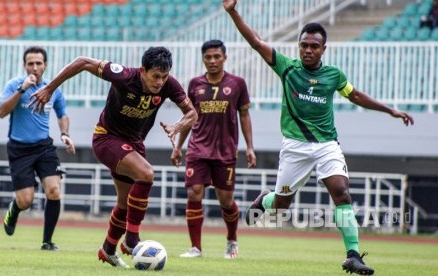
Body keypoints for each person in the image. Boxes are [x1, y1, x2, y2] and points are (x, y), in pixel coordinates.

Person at [223, 0, 414, 275]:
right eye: (304, 45)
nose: (308, 50)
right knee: (281, 206)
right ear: (298, 46)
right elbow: (256, 41)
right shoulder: (287, 68)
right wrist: (232, 11)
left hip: (327, 145)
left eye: (314, 46)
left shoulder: (333, 75)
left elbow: (356, 95)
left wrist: (390, 110)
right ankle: (267, 200)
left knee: (342, 191)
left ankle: (352, 255)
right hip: (295, 147)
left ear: (323, 49)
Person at [28, 47, 197, 268]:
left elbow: (192, 113)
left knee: (125, 203)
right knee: (146, 173)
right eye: (156, 76)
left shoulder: (169, 85)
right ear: (143, 70)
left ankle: (108, 249)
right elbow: (82, 62)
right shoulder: (124, 76)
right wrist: (50, 88)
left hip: (133, 144)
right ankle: (132, 239)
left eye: (164, 77)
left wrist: (178, 125)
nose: (160, 82)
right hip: (107, 138)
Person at [170, 40, 257, 259]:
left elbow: (244, 115)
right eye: (208, 57)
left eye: (217, 56)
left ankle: (231, 240)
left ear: (224, 58)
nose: (212, 61)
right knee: (194, 193)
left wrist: (250, 147)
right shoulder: (194, 84)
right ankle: (196, 248)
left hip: (225, 151)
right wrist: (178, 147)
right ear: (203, 59)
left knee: (226, 201)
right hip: (198, 149)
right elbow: (189, 118)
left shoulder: (237, 84)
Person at [0, 46, 76, 251]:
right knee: (25, 201)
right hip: (19, 148)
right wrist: (22, 89)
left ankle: (47, 242)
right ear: (24, 65)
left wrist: (65, 134)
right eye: (30, 63)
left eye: (38, 63)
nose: (34, 67)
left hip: (44, 147)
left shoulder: (54, 89)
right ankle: (14, 210)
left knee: (54, 190)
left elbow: (62, 114)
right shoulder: (14, 85)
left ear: (45, 65)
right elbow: (1, 112)